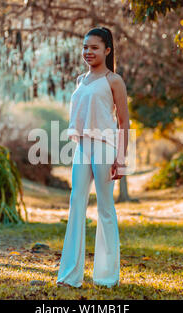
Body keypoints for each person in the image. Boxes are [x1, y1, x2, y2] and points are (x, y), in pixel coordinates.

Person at [56, 26, 130, 288]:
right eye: (85, 47)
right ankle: (69, 275)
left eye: (94, 47)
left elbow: (123, 122)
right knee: (76, 203)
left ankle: (107, 276)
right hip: (82, 147)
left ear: (107, 50)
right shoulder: (80, 80)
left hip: (105, 147)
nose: (88, 52)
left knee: (105, 208)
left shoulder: (113, 80)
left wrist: (121, 159)